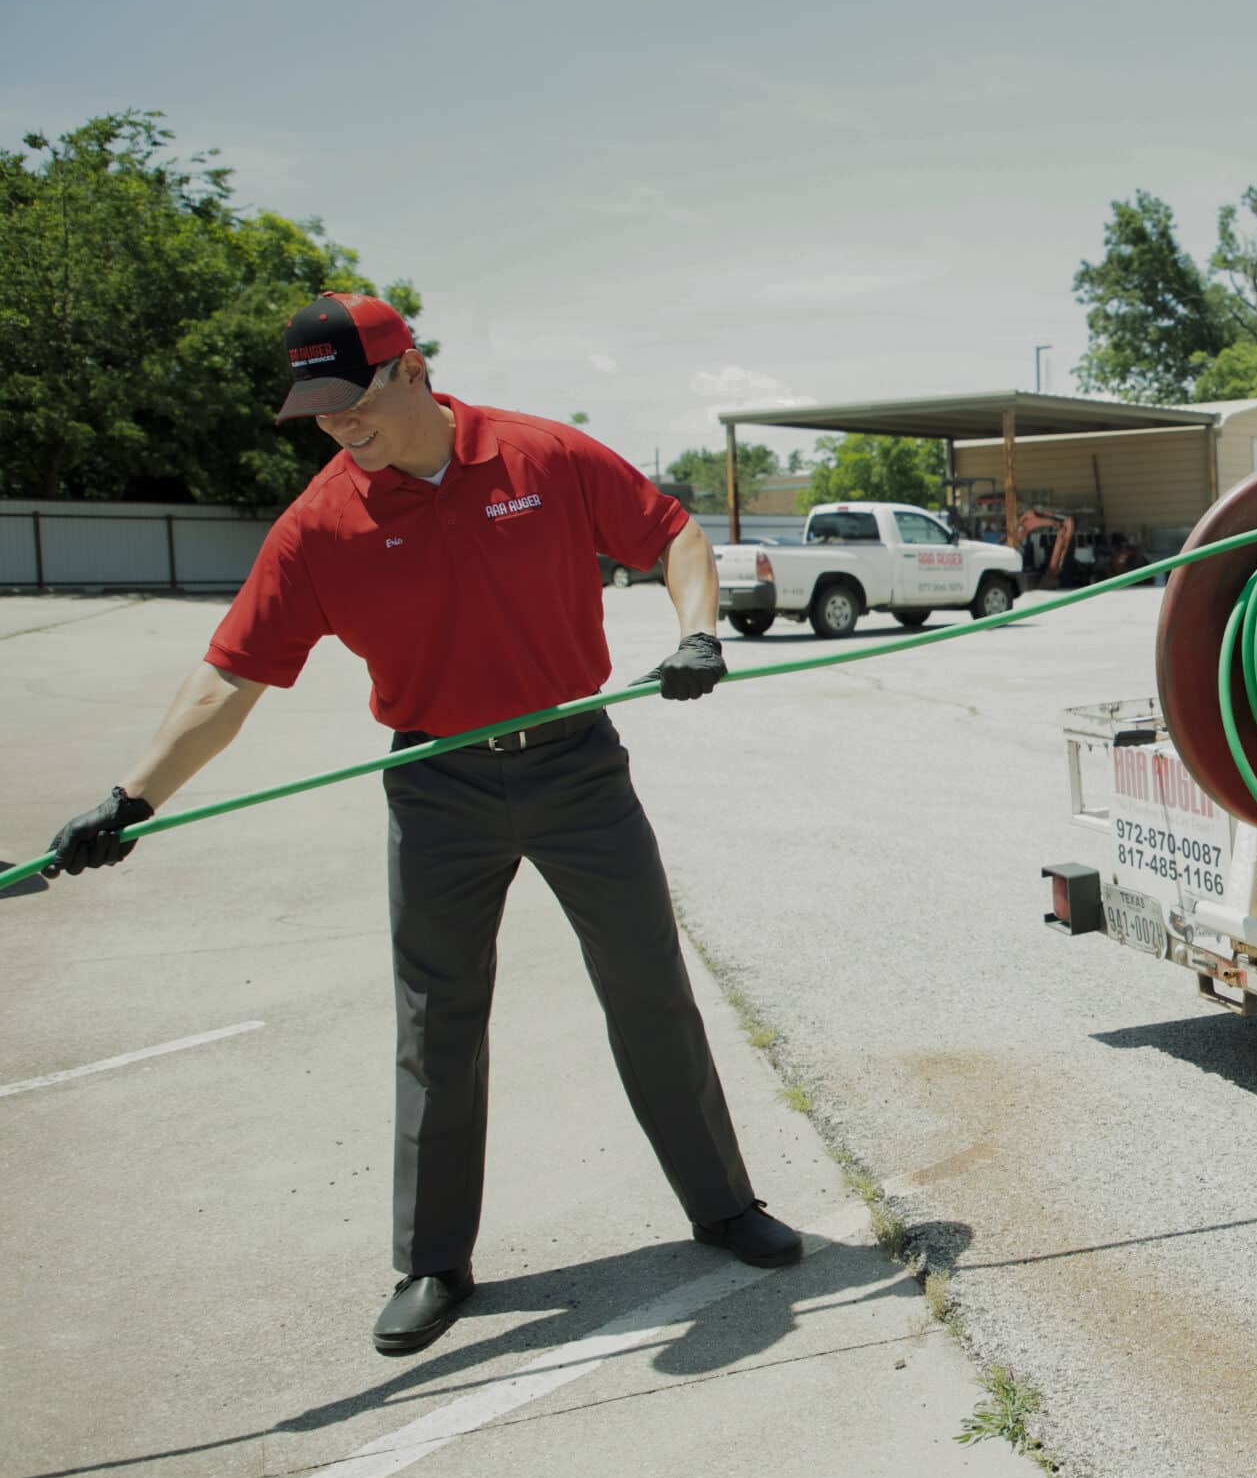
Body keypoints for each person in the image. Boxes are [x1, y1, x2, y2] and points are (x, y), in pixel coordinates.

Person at [45, 292, 803, 1357]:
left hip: (578, 766)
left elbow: (672, 531)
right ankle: (434, 1261)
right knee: (436, 1022)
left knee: (648, 988)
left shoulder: (540, 456)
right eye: (316, 409)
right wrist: (130, 801)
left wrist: (698, 633)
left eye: (349, 397)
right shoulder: (320, 524)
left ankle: (721, 1206)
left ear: (410, 370)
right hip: (436, 783)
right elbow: (229, 677)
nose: (335, 422)